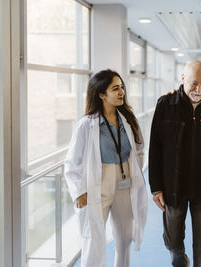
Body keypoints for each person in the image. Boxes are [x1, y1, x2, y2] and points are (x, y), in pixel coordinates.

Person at [149, 60, 201, 267]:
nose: (199, 89)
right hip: (173, 187)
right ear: (183, 78)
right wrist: (156, 187)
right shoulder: (165, 105)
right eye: (194, 83)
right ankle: (179, 259)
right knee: (174, 243)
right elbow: (155, 149)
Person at [64, 69, 148, 267]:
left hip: (125, 182)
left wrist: (135, 171)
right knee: (93, 239)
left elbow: (139, 148)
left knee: (125, 237)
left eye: (122, 88)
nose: (121, 92)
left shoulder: (127, 119)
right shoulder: (87, 125)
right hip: (99, 184)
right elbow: (71, 161)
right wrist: (78, 192)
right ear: (102, 94)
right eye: (115, 89)